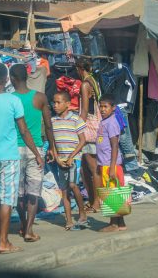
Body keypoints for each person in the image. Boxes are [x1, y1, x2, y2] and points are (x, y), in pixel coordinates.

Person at [0, 63, 44, 254]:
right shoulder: (13, 101)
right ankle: (4, 242)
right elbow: (24, 130)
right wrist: (37, 154)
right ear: (6, 79)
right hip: (9, 157)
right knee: (7, 199)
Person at [10, 64, 55, 242]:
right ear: (27, 77)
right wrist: (52, 146)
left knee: (19, 193)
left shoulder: (10, 99)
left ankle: (23, 224)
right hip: (35, 148)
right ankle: (29, 229)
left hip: (13, 149)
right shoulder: (40, 98)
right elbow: (49, 125)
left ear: (12, 78)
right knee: (33, 191)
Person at [51, 91, 89, 231]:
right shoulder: (53, 121)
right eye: (54, 102)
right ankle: (68, 220)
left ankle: (82, 211)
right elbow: (52, 143)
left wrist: (72, 156)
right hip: (61, 160)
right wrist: (57, 158)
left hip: (74, 158)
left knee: (73, 184)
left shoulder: (76, 119)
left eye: (58, 102)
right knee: (64, 190)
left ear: (67, 104)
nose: (55, 105)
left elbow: (83, 140)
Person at [96, 94, 127, 232]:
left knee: (111, 194)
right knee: (115, 192)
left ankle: (113, 223)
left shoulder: (112, 122)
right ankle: (121, 223)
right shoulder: (104, 122)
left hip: (110, 165)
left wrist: (113, 167)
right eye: (101, 106)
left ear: (113, 108)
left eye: (105, 107)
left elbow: (115, 145)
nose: (102, 109)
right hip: (105, 164)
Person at [76, 58, 102, 213]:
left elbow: (85, 110)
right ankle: (93, 200)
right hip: (95, 126)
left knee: (93, 168)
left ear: (80, 69)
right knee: (85, 168)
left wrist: (77, 127)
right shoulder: (93, 80)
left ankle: (97, 202)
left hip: (89, 129)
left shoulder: (85, 84)